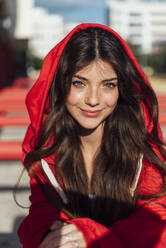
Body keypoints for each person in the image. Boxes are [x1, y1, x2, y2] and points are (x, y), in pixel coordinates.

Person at [17, 23, 166, 248]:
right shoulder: (46, 146)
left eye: (108, 85)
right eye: (79, 83)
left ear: (121, 88)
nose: (93, 99)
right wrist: (46, 234)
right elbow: (41, 208)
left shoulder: (141, 147)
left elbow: (158, 221)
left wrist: (91, 235)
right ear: (60, 84)